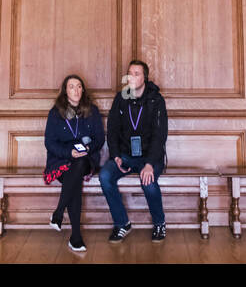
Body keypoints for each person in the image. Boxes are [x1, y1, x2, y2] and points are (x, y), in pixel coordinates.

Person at [100, 59, 168, 243]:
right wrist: (115, 156)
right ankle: (122, 223)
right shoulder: (121, 98)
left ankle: (159, 223)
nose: (131, 77)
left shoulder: (156, 100)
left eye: (136, 74)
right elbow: (112, 130)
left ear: (144, 78)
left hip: (149, 157)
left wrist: (149, 164)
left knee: (148, 182)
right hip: (126, 156)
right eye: (130, 73)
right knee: (105, 176)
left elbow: (159, 135)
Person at [43, 73, 104, 253]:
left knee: (78, 166)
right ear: (65, 91)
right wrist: (69, 152)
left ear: (83, 90)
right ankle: (75, 237)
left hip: (86, 159)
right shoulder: (56, 113)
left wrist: (85, 150)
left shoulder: (92, 111)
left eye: (79, 86)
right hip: (62, 161)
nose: (76, 90)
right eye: (71, 86)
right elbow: (49, 142)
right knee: (74, 180)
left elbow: (99, 139)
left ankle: (58, 213)